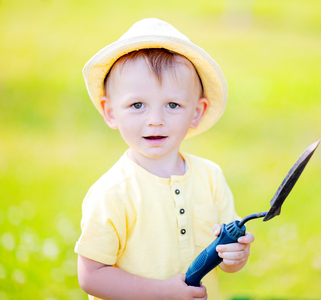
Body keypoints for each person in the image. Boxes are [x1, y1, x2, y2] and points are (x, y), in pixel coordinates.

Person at [75, 18, 255, 300]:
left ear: (196, 112)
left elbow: (228, 259)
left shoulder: (210, 177)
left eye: (172, 105)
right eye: (137, 105)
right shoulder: (112, 193)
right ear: (110, 112)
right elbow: (91, 276)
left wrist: (237, 255)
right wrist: (161, 292)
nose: (155, 121)